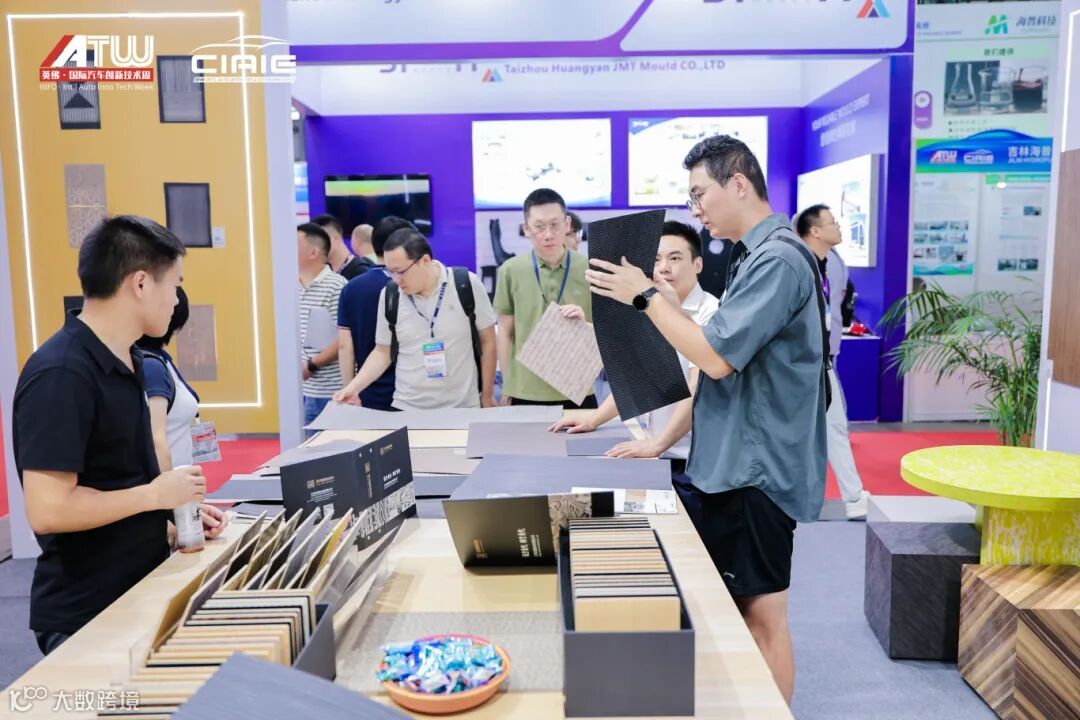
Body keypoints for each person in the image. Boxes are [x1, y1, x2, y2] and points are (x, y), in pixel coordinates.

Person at [585, 135, 827, 705]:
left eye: (699, 194)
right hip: (734, 463)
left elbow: (714, 359)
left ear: (738, 184)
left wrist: (645, 297)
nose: (696, 209)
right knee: (741, 612)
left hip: (757, 470)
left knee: (763, 617)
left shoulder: (776, 260)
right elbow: (709, 354)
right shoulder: (752, 255)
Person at [12, 215, 228, 655]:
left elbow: (118, 476)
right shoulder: (62, 372)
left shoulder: (131, 360)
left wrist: (174, 519)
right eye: (175, 285)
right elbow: (49, 510)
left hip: (137, 591)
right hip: (87, 612)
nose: (177, 300)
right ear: (141, 284)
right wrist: (155, 496)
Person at [550, 221, 719, 473]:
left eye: (675, 258)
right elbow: (638, 379)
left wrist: (657, 445)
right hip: (653, 452)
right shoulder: (651, 307)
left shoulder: (711, 313)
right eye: (657, 259)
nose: (664, 267)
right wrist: (594, 418)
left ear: (698, 264)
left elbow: (698, 388)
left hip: (692, 459)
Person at [333, 228, 497, 410]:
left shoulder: (466, 284)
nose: (396, 279)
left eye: (400, 271)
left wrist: (488, 394)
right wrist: (353, 388)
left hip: (462, 406)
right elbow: (383, 352)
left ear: (425, 260)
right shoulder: (390, 295)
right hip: (408, 406)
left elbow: (488, 341)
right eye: (390, 272)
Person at [795, 204, 870, 520]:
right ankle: (851, 497)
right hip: (800, 362)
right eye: (832, 222)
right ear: (814, 231)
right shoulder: (797, 264)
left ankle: (852, 497)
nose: (839, 227)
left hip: (822, 358)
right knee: (824, 427)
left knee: (832, 425)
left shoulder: (830, 263)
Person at [494, 188, 595, 409]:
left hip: (577, 388)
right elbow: (505, 332)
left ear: (567, 224)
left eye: (555, 224)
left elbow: (606, 331)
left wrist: (585, 323)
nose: (548, 234)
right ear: (526, 229)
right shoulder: (511, 270)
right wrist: (508, 385)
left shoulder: (590, 269)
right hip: (524, 390)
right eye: (539, 226)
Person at [337, 216, 416, 411]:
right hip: (412, 392)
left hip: (368, 392)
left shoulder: (352, 288)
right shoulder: (414, 286)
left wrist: (350, 389)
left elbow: (345, 345)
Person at [136, 286, 201, 470]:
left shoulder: (161, 361)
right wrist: (167, 486)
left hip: (181, 480)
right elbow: (156, 440)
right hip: (170, 481)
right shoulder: (152, 367)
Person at [298, 222, 347, 434]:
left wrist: (311, 365)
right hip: (300, 390)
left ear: (313, 252)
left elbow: (344, 338)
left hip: (330, 391)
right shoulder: (290, 285)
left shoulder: (336, 286)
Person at [313, 213, 374, 280]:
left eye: (320, 241)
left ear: (336, 238)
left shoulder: (360, 271)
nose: (316, 247)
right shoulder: (323, 272)